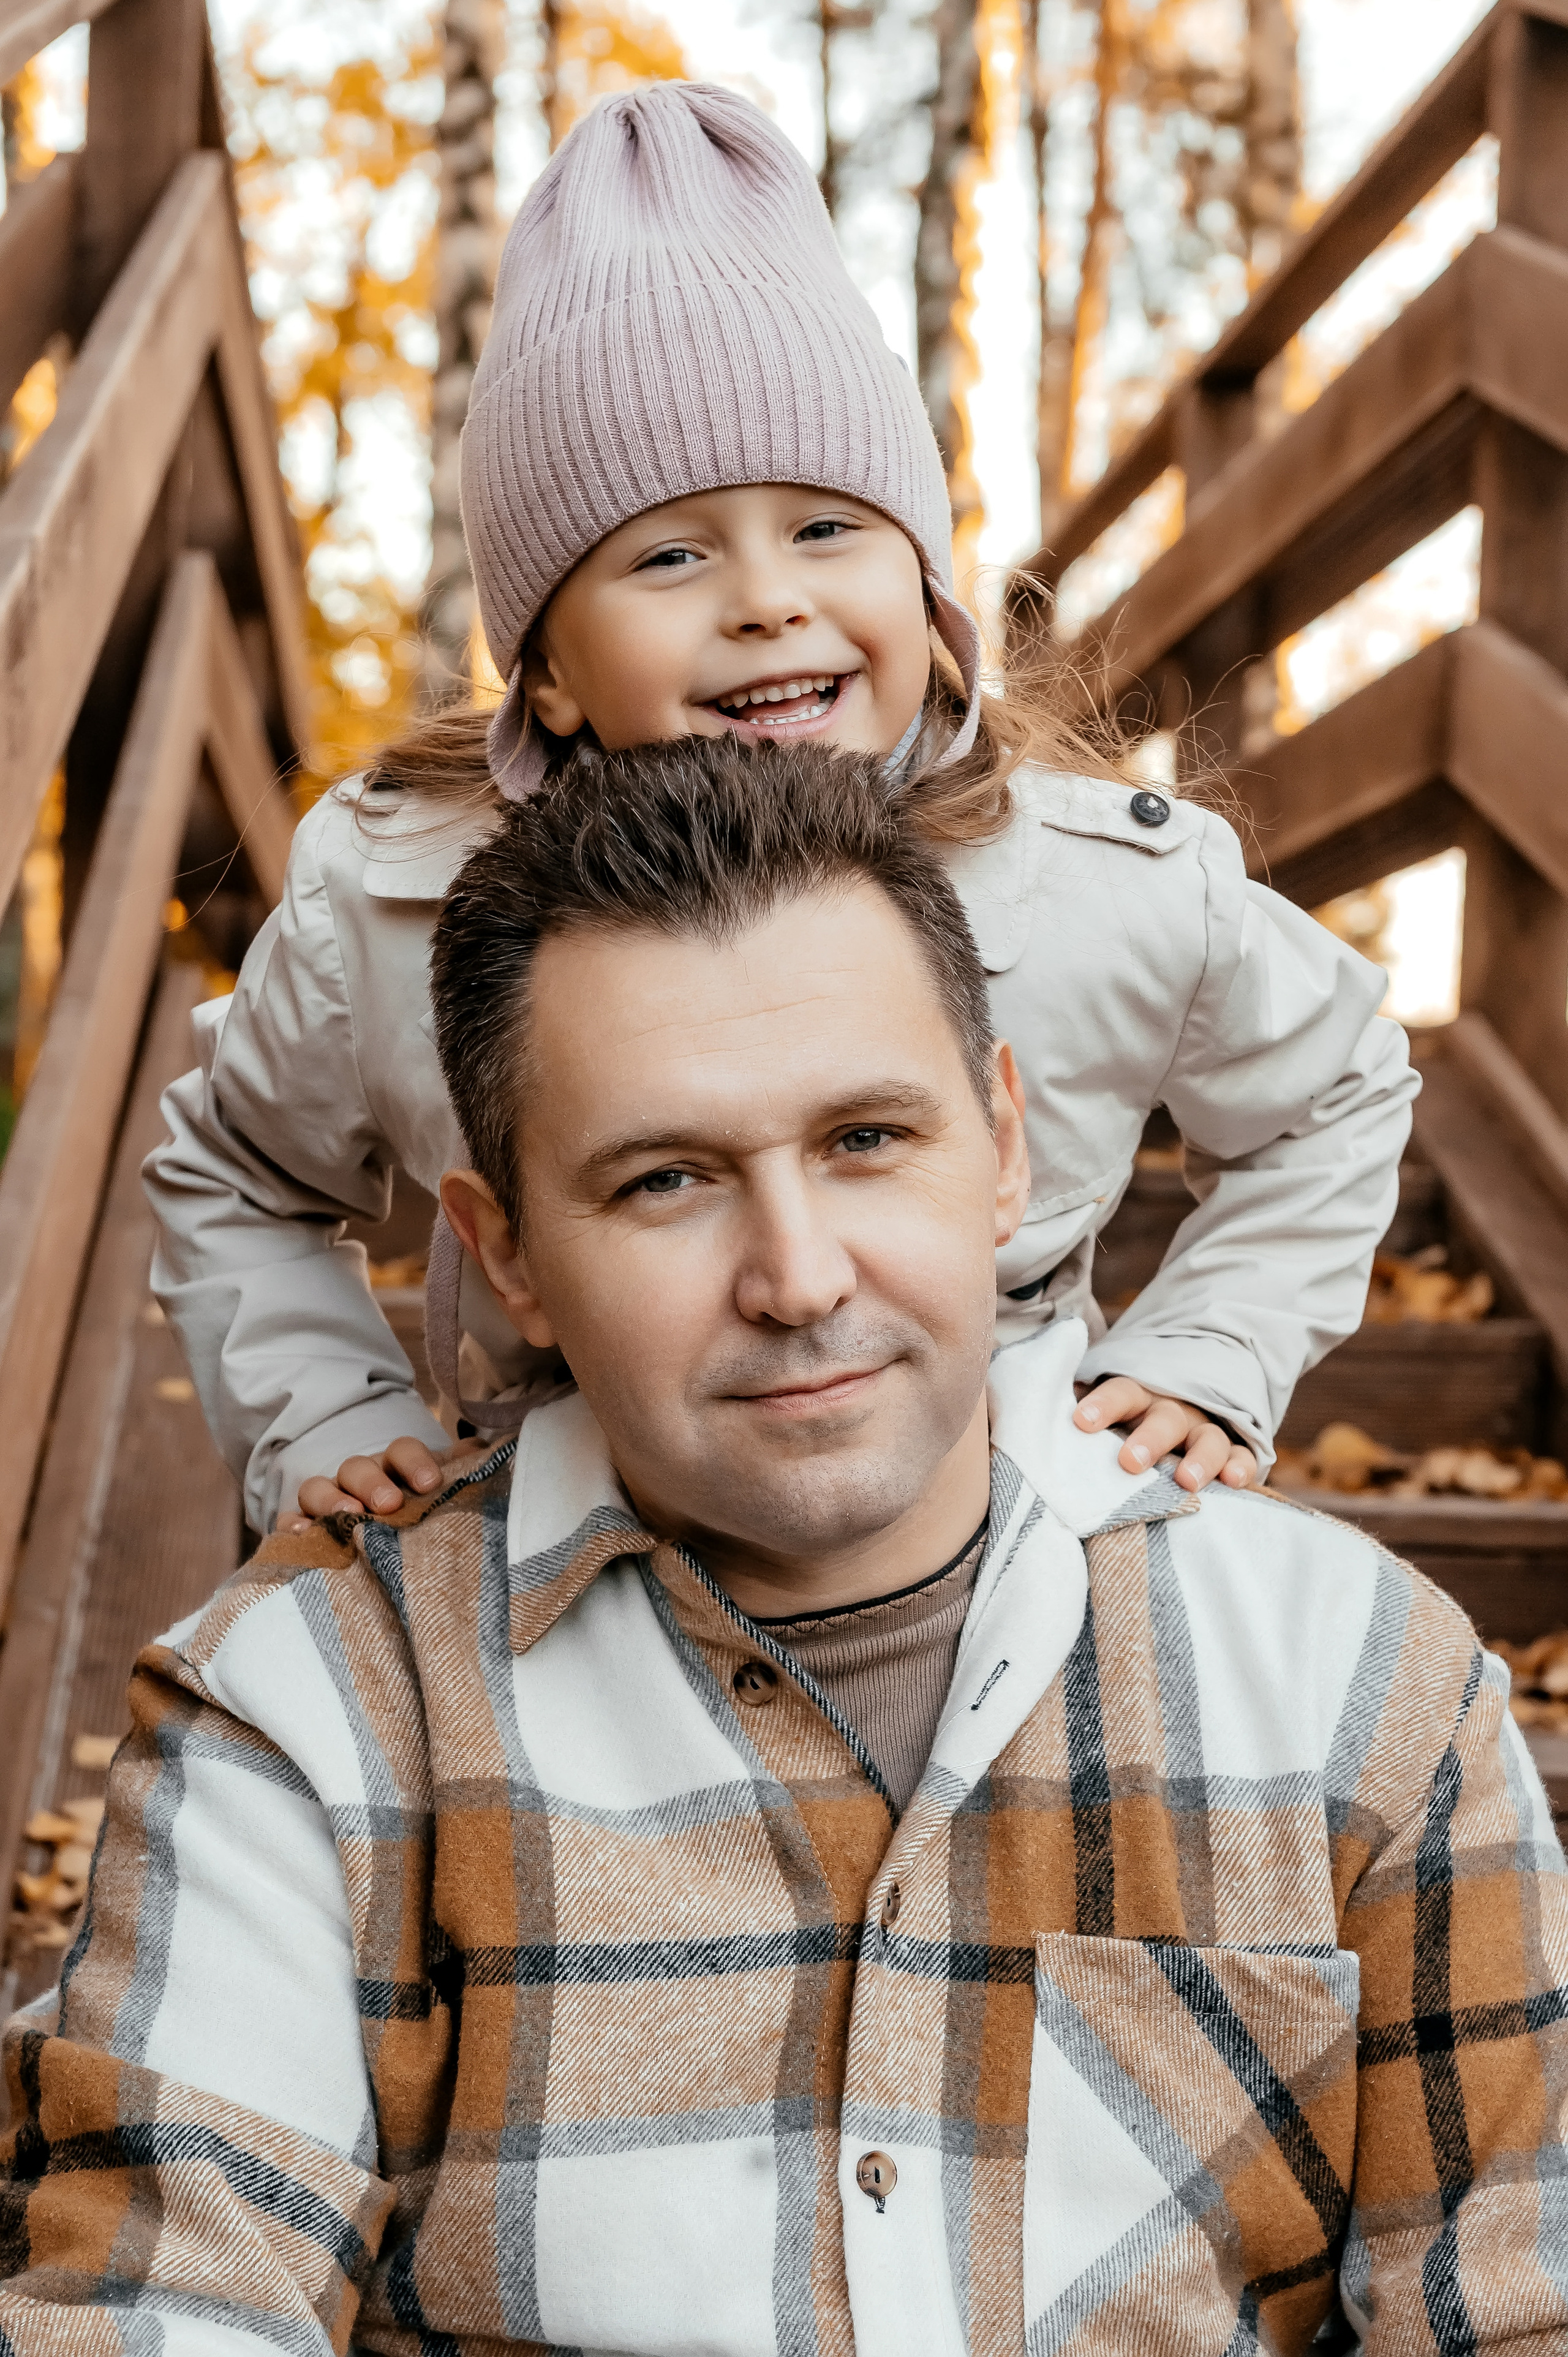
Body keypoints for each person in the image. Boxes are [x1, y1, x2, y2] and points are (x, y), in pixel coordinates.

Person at [7, 736, 1562, 2357]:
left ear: (1006, 1147)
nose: (799, 1277)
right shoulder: (311, 1710)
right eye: (665, 1179)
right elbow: (164, 2306)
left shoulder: (1346, 1682)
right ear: (506, 1254)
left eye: (865, 1140)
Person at [144, 81, 1417, 1542]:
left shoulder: (1095, 884)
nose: (766, 601)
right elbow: (237, 1171)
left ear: (923, 588)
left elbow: (1331, 1086)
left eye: (825, 528)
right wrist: (323, 1408)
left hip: (1002, 1527)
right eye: (669, 557)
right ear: (545, 670)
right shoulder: (392, 900)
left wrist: (1209, 1344)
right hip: (563, 1540)